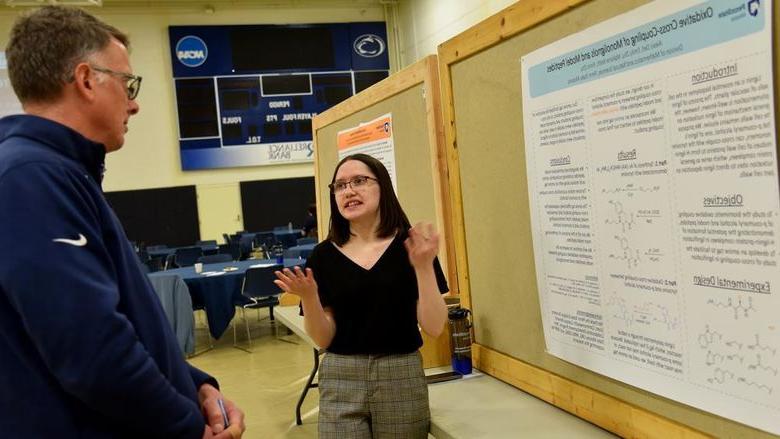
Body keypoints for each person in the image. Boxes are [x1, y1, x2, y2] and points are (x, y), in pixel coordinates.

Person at [0, 6, 245, 438]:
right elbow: (92, 353)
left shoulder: (55, 173)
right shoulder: (33, 177)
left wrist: (196, 385)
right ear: (86, 79)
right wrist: (188, 425)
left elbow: (122, 324)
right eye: (128, 84)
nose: (134, 103)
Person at [274, 153, 448, 438]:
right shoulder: (323, 256)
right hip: (341, 375)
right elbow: (323, 338)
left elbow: (434, 326)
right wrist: (309, 297)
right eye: (340, 186)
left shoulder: (412, 246)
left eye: (359, 181)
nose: (349, 191)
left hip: (400, 374)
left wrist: (424, 267)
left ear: (383, 187)